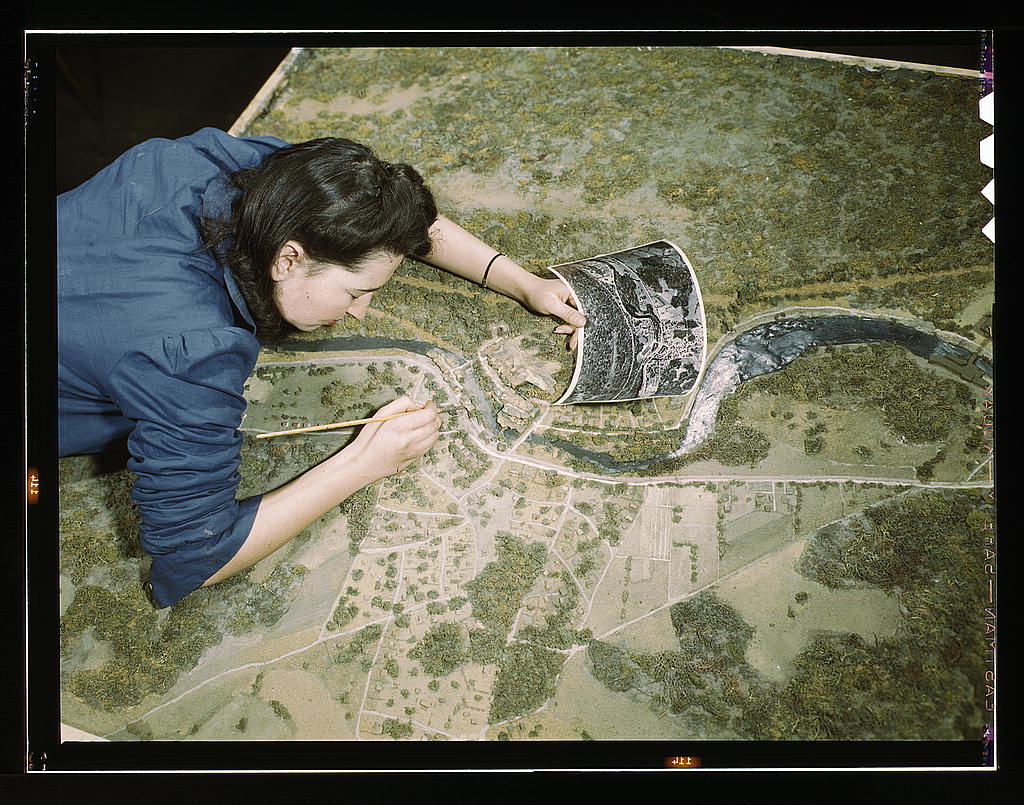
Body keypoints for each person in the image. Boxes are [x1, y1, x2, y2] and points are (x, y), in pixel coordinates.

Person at [58, 127, 586, 608]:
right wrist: (366, 462)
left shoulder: (210, 167)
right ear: (288, 260)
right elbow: (196, 560)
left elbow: (389, 218)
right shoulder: (191, 357)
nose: (360, 312)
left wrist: (522, 284)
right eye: (358, 292)